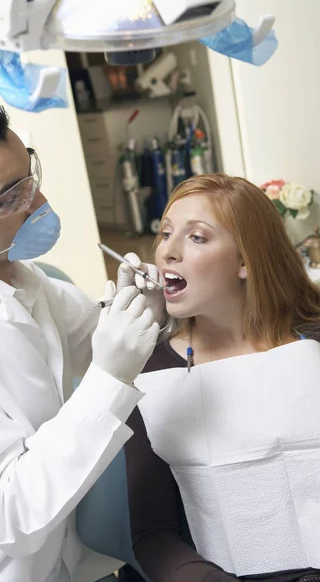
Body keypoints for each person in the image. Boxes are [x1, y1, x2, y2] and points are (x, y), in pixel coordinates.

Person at [0, 96, 164, 582]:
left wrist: (146, 308)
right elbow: (10, 512)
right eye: (9, 197)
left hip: (73, 561)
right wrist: (110, 377)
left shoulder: (20, 276)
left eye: (29, 175)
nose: (39, 204)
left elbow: (94, 331)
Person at [125, 174, 320, 582]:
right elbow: (153, 534)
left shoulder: (314, 341)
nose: (168, 253)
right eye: (164, 233)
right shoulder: (151, 372)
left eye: (196, 237)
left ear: (246, 261)